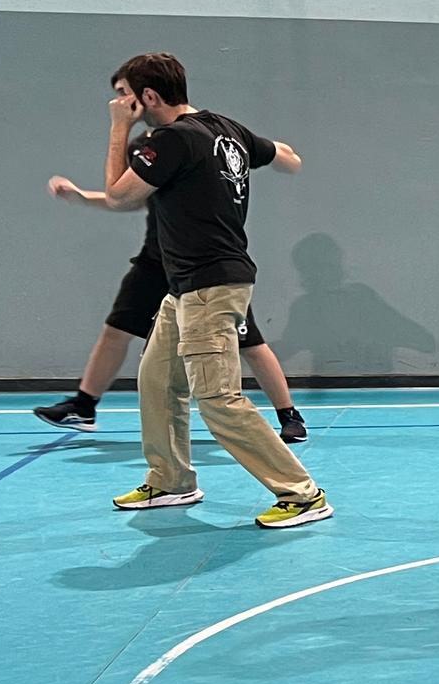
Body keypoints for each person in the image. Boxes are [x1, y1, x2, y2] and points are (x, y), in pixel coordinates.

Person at [52, 53, 329, 526]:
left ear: (149, 97)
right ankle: (171, 480)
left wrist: (118, 128)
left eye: (126, 97)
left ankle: (302, 494)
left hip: (210, 286)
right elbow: (286, 156)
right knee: (156, 382)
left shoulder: (172, 139)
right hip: (183, 289)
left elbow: (120, 195)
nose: (120, 103)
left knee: (218, 397)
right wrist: (276, 159)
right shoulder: (225, 128)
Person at [33, 203, 309, 443]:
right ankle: (84, 406)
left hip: (202, 268)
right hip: (154, 265)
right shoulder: (151, 157)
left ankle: (288, 414)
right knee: (115, 331)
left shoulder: (200, 159)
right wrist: (83, 196)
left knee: (250, 344)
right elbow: (125, 195)